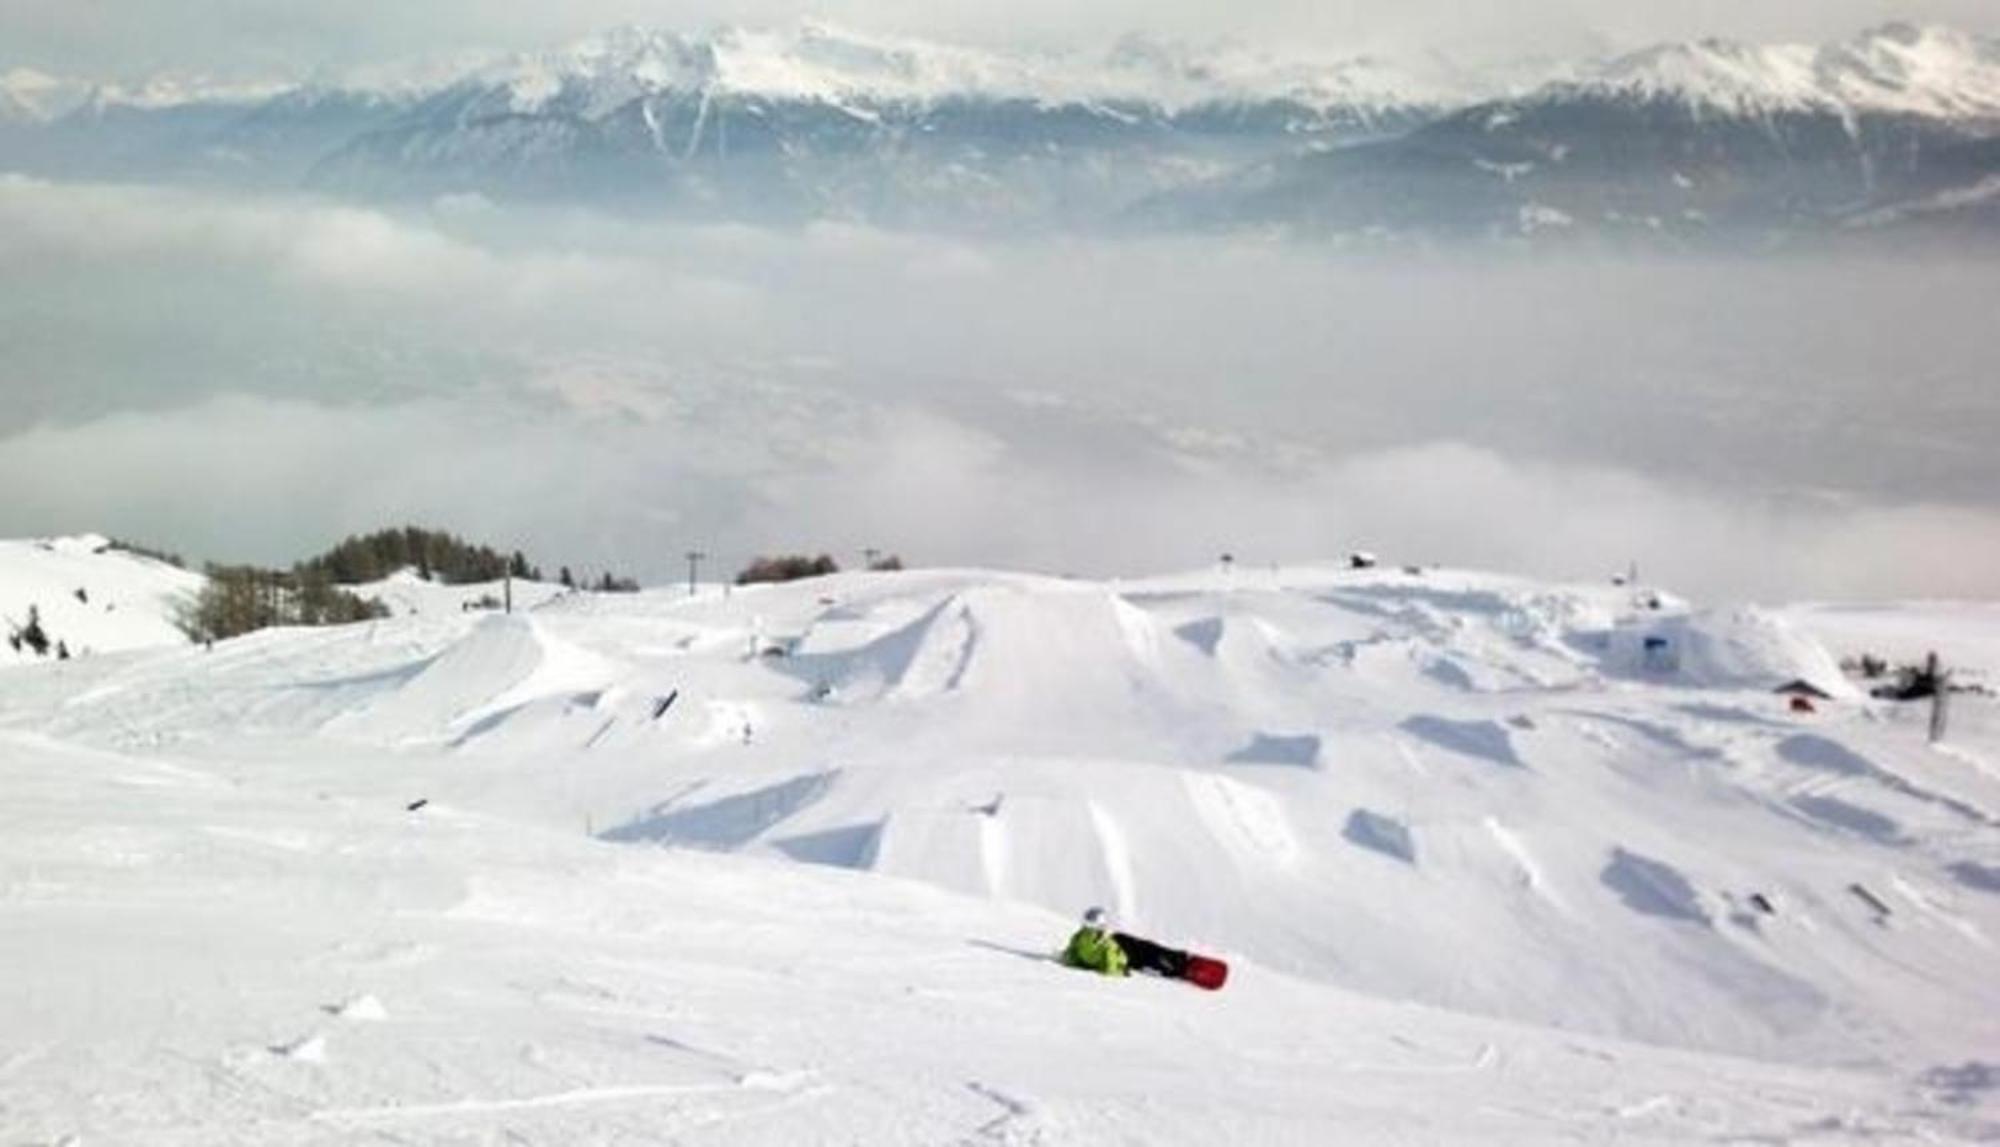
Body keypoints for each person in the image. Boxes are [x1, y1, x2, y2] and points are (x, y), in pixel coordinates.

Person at [1061, 907, 1189, 979]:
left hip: (1117, 943)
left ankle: (1173, 959)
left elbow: (1069, 956)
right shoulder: (1107, 947)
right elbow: (1111, 970)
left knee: (1126, 939)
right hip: (1125, 955)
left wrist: (1083, 964)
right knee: (1147, 952)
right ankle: (1178, 964)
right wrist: (1123, 971)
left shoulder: (1078, 938)